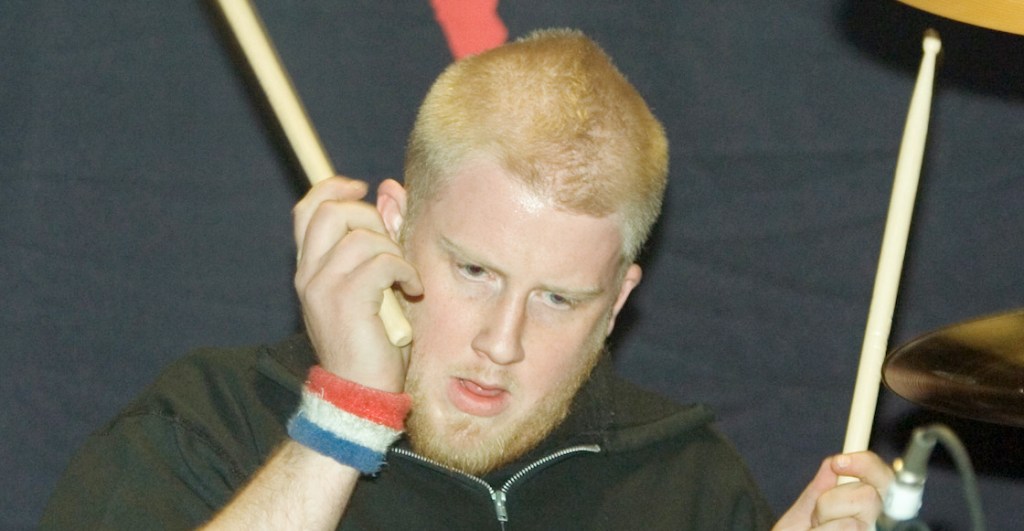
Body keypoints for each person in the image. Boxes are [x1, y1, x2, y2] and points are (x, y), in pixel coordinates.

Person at [40, 29, 891, 530]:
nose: (502, 341)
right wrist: (341, 422)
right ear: (392, 223)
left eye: (559, 297)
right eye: (475, 270)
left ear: (619, 300)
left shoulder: (690, 486)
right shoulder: (206, 424)